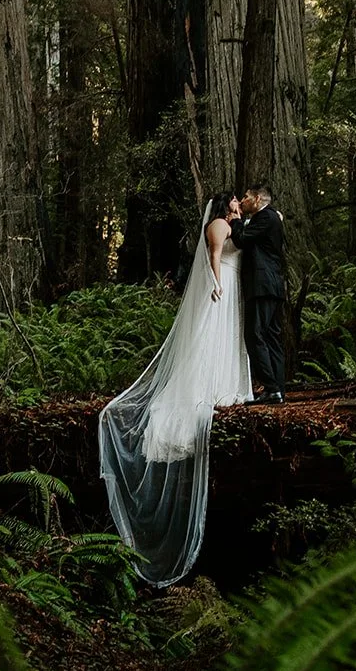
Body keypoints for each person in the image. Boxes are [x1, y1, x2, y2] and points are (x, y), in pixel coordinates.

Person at [97, 191, 252, 585]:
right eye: (232, 202)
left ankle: (225, 386)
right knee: (209, 342)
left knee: (229, 341)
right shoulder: (218, 225)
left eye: (239, 202)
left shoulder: (236, 226)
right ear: (222, 207)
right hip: (222, 288)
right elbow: (216, 257)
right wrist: (217, 285)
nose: (236, 206)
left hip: (234, 290)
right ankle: (204, 391)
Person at [228, 183, 286, 405]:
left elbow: (241, 239)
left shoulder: (266, 217)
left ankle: (272, 388)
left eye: (245, 196)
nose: (242, 201)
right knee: (271, 337)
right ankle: (278, 390)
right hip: (272, 285)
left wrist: (235, 219)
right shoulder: (271, 218)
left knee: (255, 335)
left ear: (258, 198)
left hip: (261, 285)